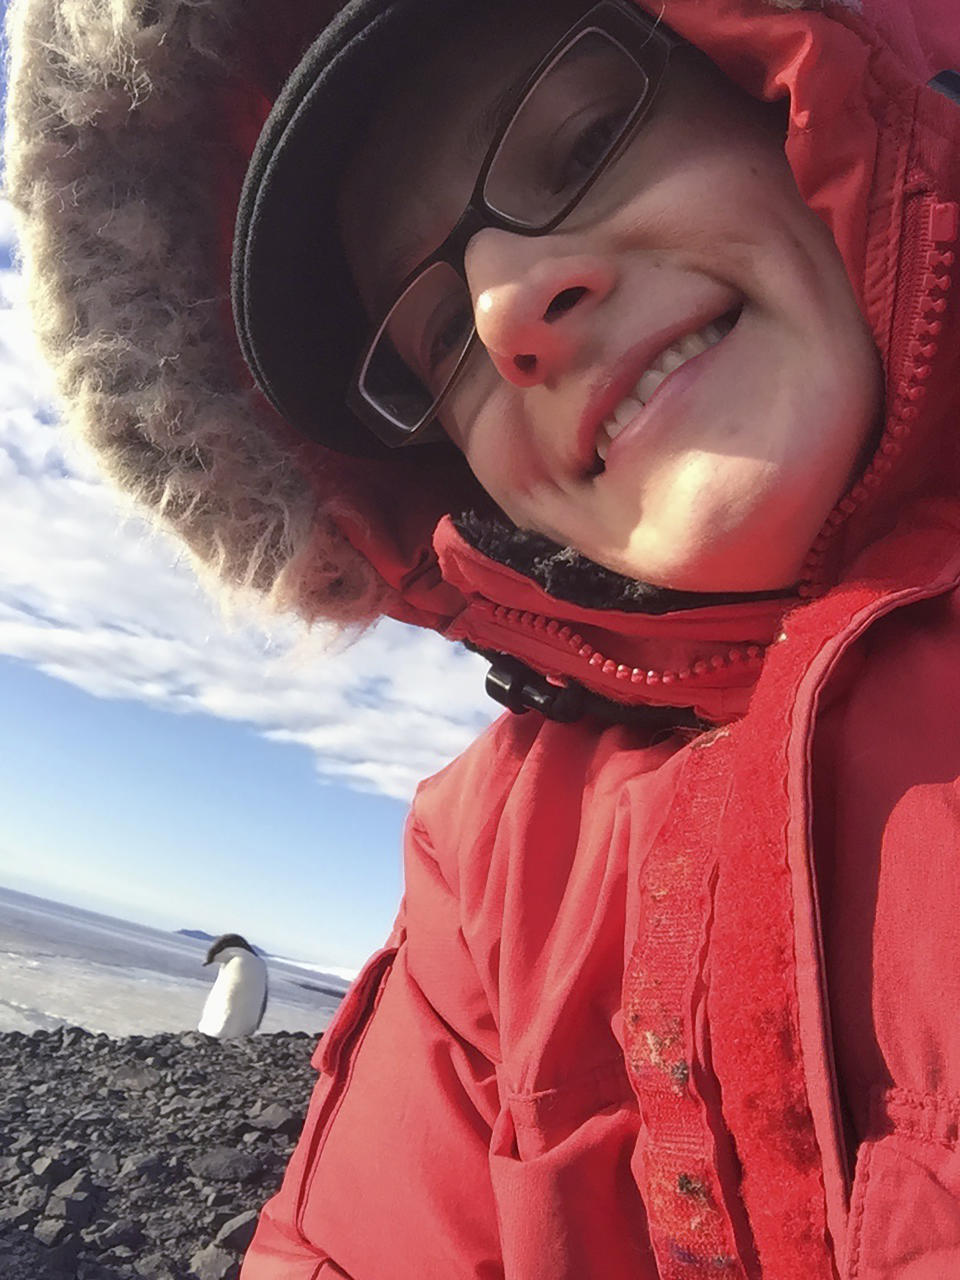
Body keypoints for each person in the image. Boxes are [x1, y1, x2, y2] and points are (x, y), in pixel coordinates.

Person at [5, 0, 960, 1274]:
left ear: (779, 82)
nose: (511, 308)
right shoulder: (489, 855)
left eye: (579, 148)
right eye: (442, 339)